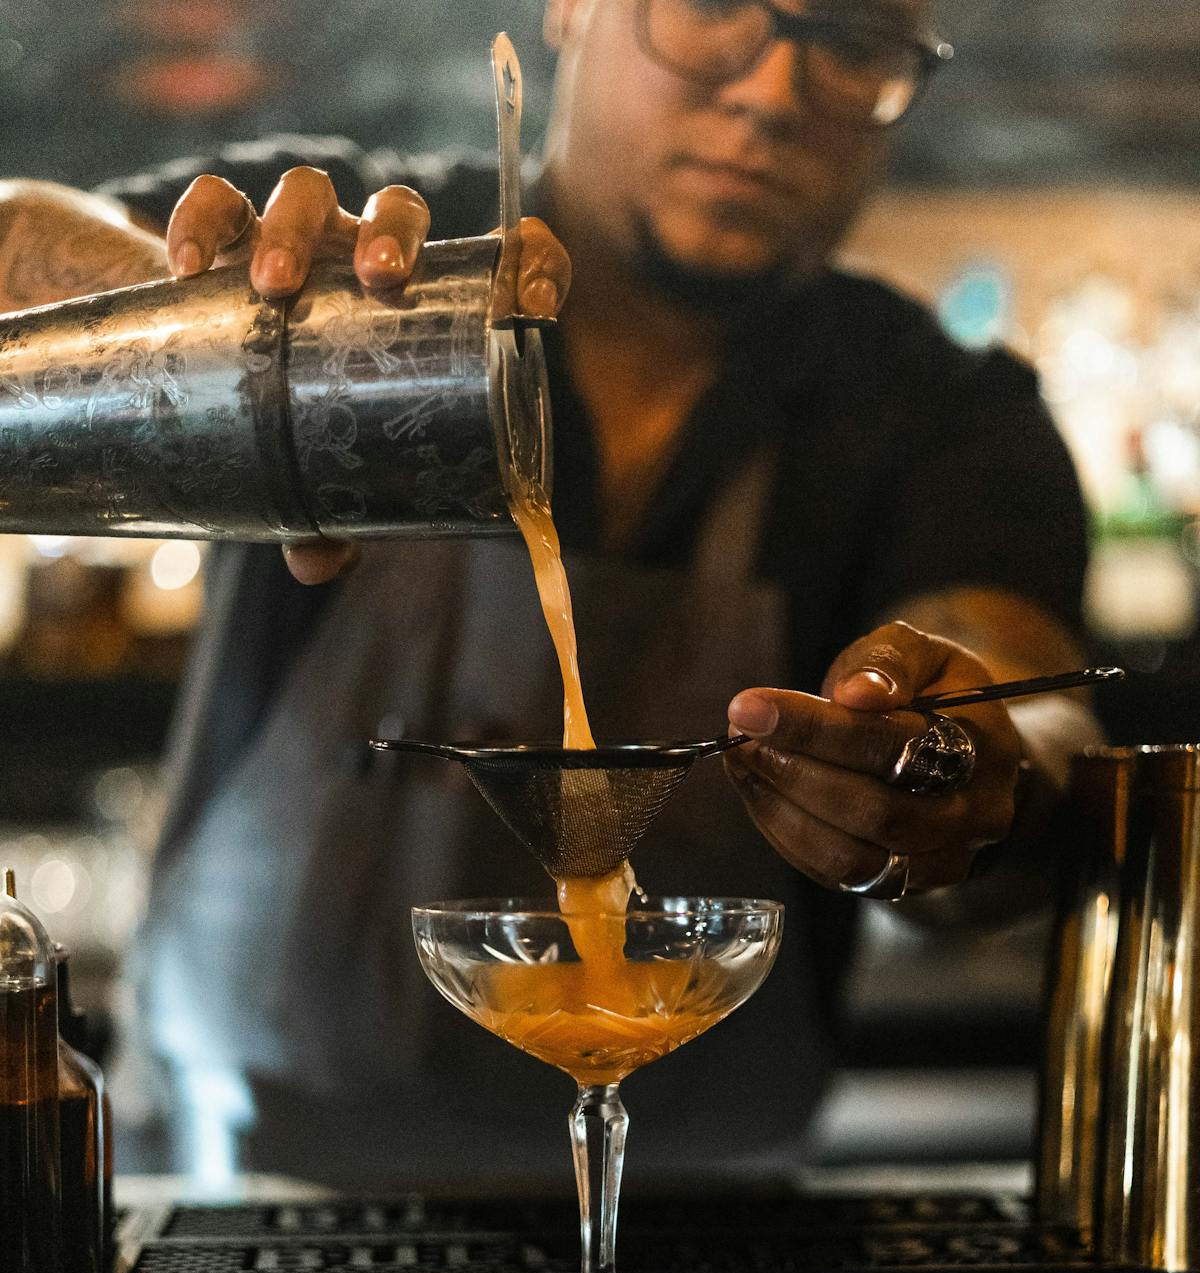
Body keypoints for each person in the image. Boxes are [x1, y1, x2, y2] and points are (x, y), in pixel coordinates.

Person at [0, 0, 1100, 1186]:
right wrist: (209, 328)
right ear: (575, 8)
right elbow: (16, 239)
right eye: (719, 8)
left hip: (711, 1251)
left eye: (855, 45)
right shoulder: (360, 266)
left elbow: (1024, 695)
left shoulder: (937, 412)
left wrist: (962, 765)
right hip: (249, 1193)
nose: (775, 91)